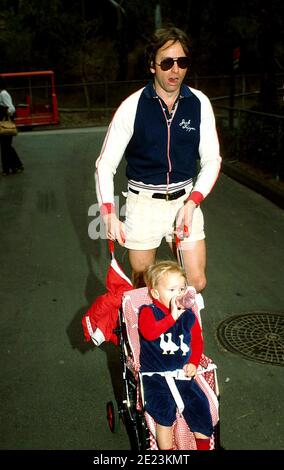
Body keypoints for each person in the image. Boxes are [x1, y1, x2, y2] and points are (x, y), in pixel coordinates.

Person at [95, 26, 221, 289]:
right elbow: (105, 164)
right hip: (143, 205)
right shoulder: (132, 106)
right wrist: (108, 213)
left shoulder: (199, 103)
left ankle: (180, 328)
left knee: (195, 282)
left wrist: (193, 202)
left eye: (182, 62)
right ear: (152, 65)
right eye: (166, 62)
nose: (175, 70)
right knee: (145, 289)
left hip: (185, 202)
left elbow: (212, 159)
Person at [138, 260, 213, 450]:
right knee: (163, 411)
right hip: (155, 376)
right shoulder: (148, 312)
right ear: (155, 293)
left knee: (200, 405)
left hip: (182, 374)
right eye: (172, 290)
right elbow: (149, 332)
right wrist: (171, 317)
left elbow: (197, 341)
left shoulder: (188, 315)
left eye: (181, 289)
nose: (178, 295)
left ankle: (203, 446)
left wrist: (194, 363)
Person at [0, 76, 24, 176]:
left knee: (5, 147)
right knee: (6, 147)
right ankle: (15, 166)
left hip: (4, 123)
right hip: (3, 123)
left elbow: (11, 109)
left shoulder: (3, 94)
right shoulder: (1, 93)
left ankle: (9, 168)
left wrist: (3, 112)